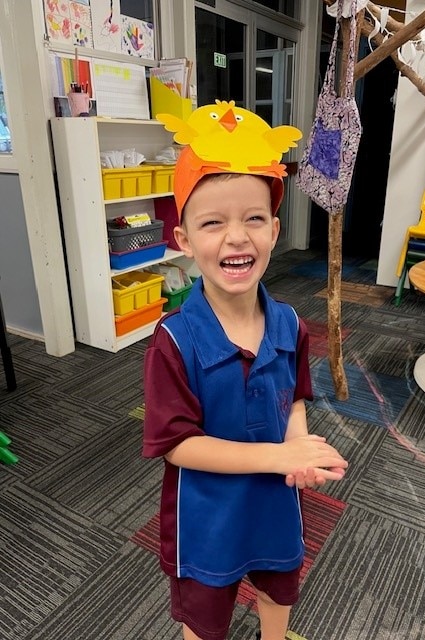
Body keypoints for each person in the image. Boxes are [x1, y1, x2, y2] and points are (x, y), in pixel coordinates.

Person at [143, 101, 348, 640]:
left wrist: (298, 453)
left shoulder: (289, 325)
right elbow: (175, 444)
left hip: (275, 503)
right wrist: (278, 454)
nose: (237, 236)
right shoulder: (174, 341)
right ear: (184, 241)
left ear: (275, 230)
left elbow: (294, 399)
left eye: (253, 218)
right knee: (205, 617)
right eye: (213, 223)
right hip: (207, 518)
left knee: (280, 588)